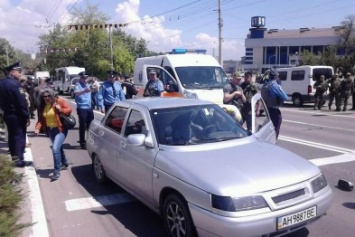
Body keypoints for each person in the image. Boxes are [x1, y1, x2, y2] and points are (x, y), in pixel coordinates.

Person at [34, 88, 72, 180]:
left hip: (60, 129)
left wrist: (60, 110)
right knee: (59, 147)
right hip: (50, 131)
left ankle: (56, 171)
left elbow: (69, 110)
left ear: (52, 95)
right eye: (44, 97)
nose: (46, 98)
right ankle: (65, 162)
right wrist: (37, 128)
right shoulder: (44, 106)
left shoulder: (58, 101)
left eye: (48, 96)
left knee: (55, 149)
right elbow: (41, 119)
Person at [0, 62, 31, 167]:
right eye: (19, 71)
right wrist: (26, 116)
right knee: (19, 137)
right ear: (12, 72)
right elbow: (21, 103)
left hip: (7, 114)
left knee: (12, 137)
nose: (20, 73)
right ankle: (19, 160)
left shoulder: (2, 83)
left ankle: (14, 157)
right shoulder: (15, 85)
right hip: (17, 116)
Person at [261, 68, 288, 139]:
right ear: (276, 76)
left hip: (267, 110)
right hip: (274, 111)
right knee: (275, 130)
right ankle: (273, 143)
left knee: (267, 129)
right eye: (277, 76)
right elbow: (285, 97)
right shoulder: (275, 86)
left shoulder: (265, 85)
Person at [74, 72, 94, 149]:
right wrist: (84, 91)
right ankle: (82, 142)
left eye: (86, 78)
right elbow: (77, 93)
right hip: (82, 107)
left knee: (90, 125)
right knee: (82, 125)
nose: (85, 79)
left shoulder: (88, 84)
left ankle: (89, 141)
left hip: (89, 107)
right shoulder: (78, 84)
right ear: (80, 78)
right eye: (83, 78)